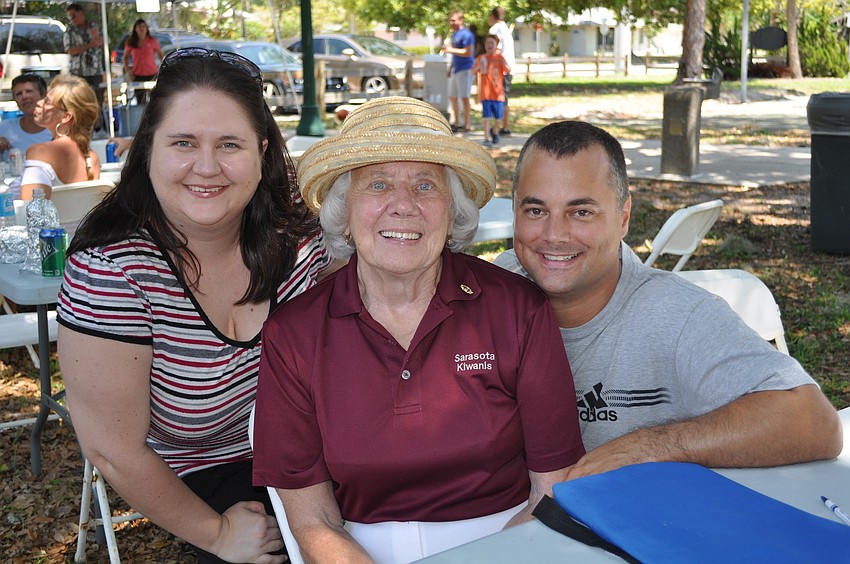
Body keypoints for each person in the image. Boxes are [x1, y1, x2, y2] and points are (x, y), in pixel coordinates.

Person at [252, 97, 585, 563]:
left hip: (510, 544)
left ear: (453, 214)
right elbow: (312, 520)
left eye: (426, 186)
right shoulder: (293, 335)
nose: (403, 205)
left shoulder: (517, 308)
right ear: (344, 216)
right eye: (378, 184)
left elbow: (552, 489)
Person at [57, 48, 333, 563]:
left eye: (230, 144)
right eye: (183, 142)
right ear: (147, 152)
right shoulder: (113, 271)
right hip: (209, 472)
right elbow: (114, 452)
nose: (207, 167)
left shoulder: (303, 242)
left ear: (262, 151)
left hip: (322, 448)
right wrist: (217, 534)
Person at [494, 120, 843, 480]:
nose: (554, 235)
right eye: (535, 210)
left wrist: (644, 448)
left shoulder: (679, 316)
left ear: (623, 217)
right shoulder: (497, 288)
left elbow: (814, 420)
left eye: (581, 212)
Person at [18, 75, 100, 200]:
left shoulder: (39, 152)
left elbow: (30, 209)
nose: (39, 103)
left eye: (47, 101)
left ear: (66, 117)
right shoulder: (92, 158)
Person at [64, 3, 104, 130]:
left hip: (95, 71)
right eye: (69, 17)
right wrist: (90, 45)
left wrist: (97, 40)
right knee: (79, 102)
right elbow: (70, 50)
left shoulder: (94, 26)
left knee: (97, 101)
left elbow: (102, 45)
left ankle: (98, 128)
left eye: (73, 16)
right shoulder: (69, 30)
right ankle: (81, 129)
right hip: (78, 72)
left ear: (81, 14)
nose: (72, 19)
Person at [471, 34, 510, 147]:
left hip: (498, 93)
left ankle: (495, 131)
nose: (489, 45)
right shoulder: (481, 58)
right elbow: (472, 72)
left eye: (492, 43)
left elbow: (508, 70)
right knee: (486, 116)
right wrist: (480, 67)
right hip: (485, 93)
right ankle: (487, 137)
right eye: (487, 43)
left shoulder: (500, 58)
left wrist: (503, 63)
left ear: (496, 45)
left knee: (499, 117)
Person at [0, 74, 52, 156]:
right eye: (19, 94)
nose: (24, 96)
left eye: (29, 91)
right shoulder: (4, 127)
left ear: (43, 95)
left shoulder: (57, 131)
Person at [441, 10, 475, 133]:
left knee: (464, 97)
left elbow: (468, 52)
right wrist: (451, 68)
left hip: (465, 69)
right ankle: (456, 122)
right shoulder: (455, 34)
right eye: (450, 20)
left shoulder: (466, 34)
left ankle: (466, 124)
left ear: (461, 20)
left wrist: (450, 50)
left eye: (454, 20)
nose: (451, 22)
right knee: (453, 96)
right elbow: (456, 54)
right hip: (456, 69)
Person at [488, 6, 515, 135]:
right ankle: (505, 126)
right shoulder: (506, 28)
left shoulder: (495, 29)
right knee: (504, 98)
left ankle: (497, 128)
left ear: (492, 16)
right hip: (509, 68)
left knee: (499, 99)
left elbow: (495, 48)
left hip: (500, 70)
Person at [123, 19, 164, 104]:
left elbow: (161, 55)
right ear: (135, 29)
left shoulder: (152, 41)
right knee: (140, 101)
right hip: (138, 75)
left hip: (152, 74)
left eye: (143, 27)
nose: (141, 29)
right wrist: (128, 72)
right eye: (139, 27)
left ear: (146, 29)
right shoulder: (131, 42)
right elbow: (125, 57)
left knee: (154, 100)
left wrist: (162, 68)